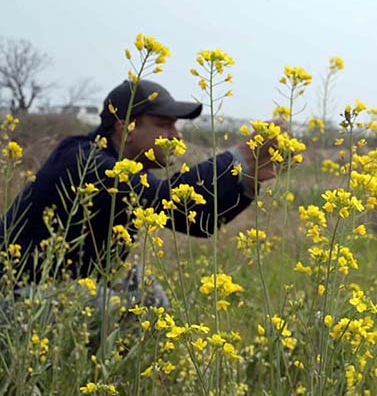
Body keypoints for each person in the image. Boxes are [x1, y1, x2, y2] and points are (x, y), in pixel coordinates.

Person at [0, 79, 278, 314]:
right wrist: (241, 157)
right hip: (16, 296)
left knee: (148, 299)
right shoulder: (85, 161)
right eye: (165, 126)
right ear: (126, 130)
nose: (176, 138)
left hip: (59, 291)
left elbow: (198, 221)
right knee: (110, 305)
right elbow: (164, 197)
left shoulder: (127, 170)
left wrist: (249, 181)